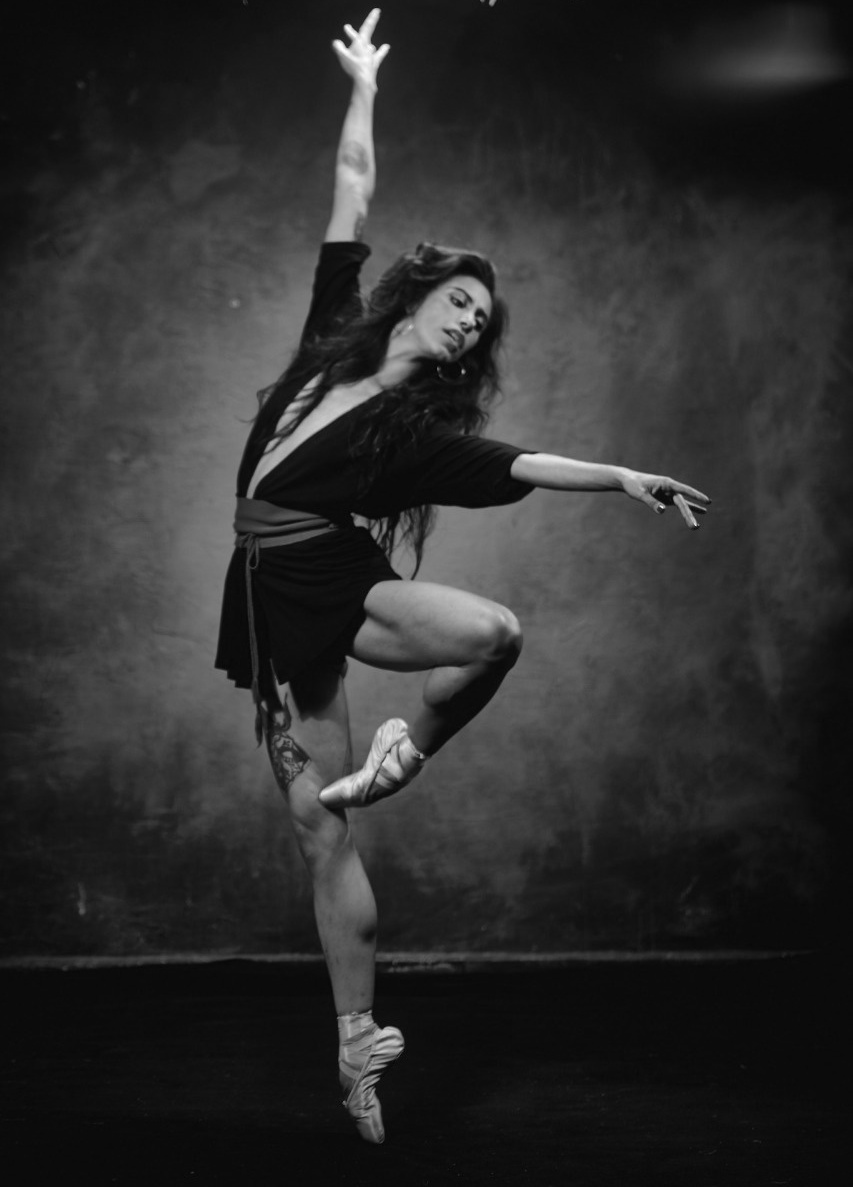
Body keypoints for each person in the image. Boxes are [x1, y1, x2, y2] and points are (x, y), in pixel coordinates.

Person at [215, 8, 710, 1145]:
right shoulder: (330, 337)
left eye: (481, 323)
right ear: (419, 293)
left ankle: (409, 751)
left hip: (337, 578)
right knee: (320, 830)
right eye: (461, 303)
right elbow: (350, 184)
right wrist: (363, 85)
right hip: (265, 601)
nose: (468, 325)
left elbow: (518, 462)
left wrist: (622, 475)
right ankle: (356, 1045)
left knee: (494, 631)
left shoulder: (414, 435)